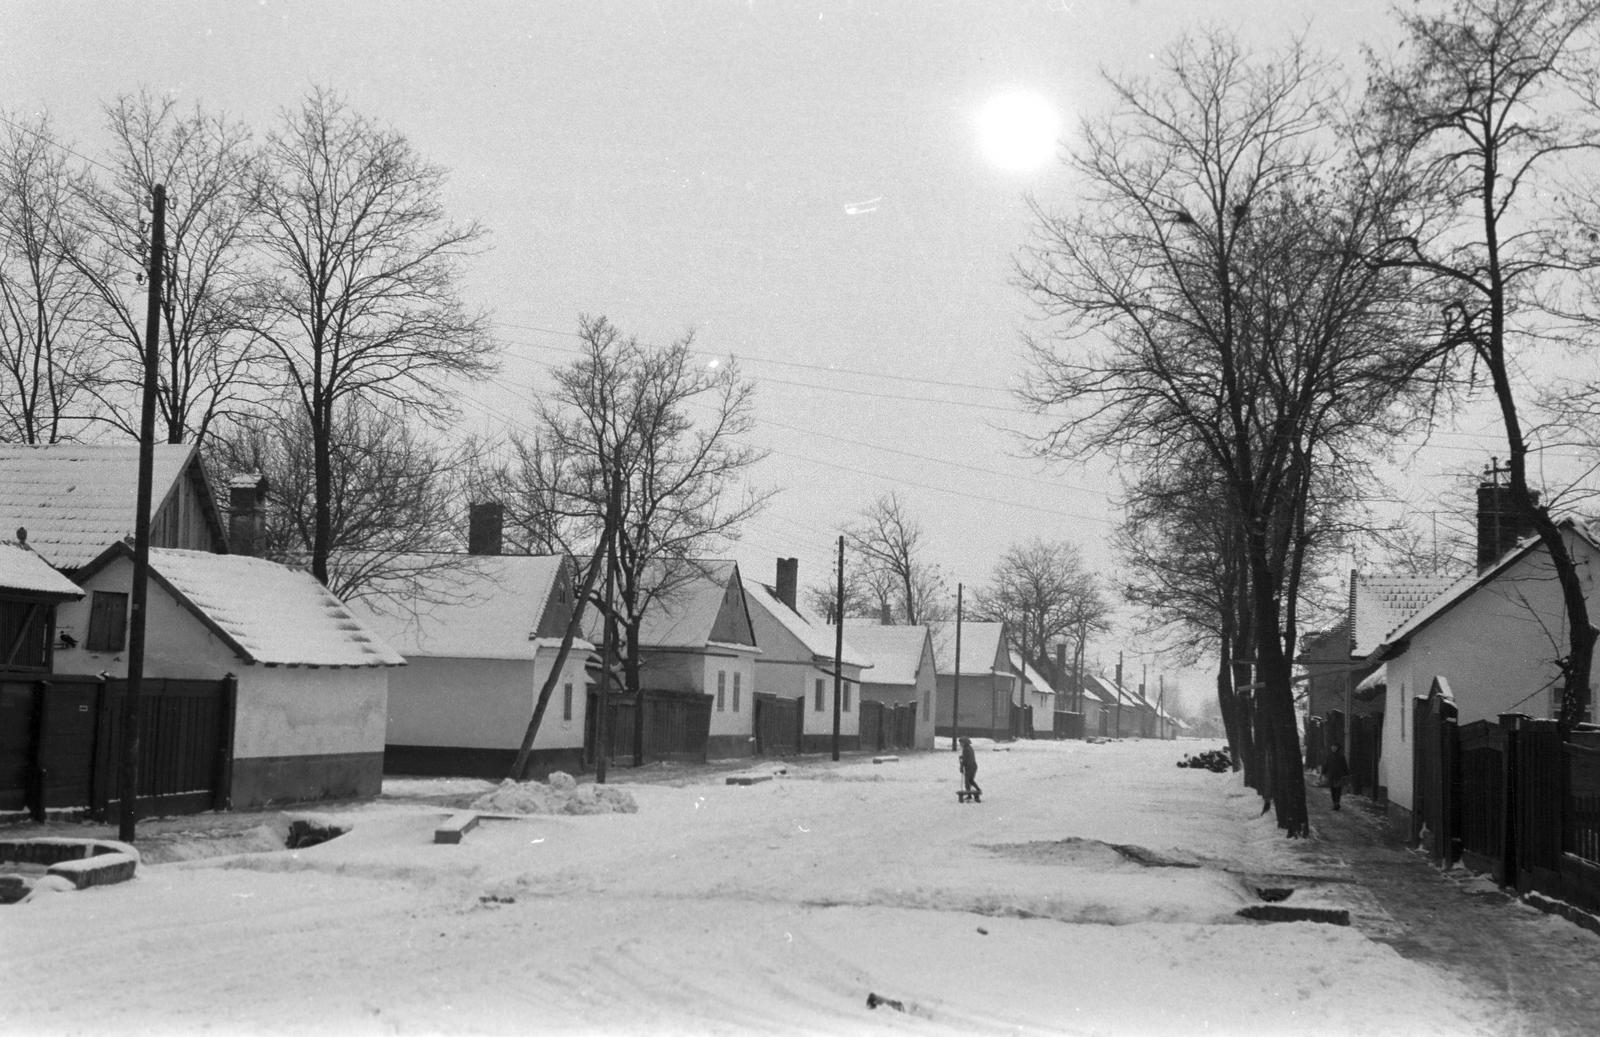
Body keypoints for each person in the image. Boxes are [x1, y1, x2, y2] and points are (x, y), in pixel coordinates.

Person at [1321, 743, 1349, 811]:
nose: (1333, 748)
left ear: (1337, 748)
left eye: (1335, 747)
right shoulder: (1329, 756)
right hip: (1331, 776)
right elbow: (1326, 765)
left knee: (1338, 790)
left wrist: (1346, 774)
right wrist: (1323, 773)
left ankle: (1337, 803)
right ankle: (1334, 803)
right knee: (1333, 790)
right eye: (1332, 747)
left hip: (1339, 776)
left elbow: (1344, 766)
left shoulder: (1341, 757)